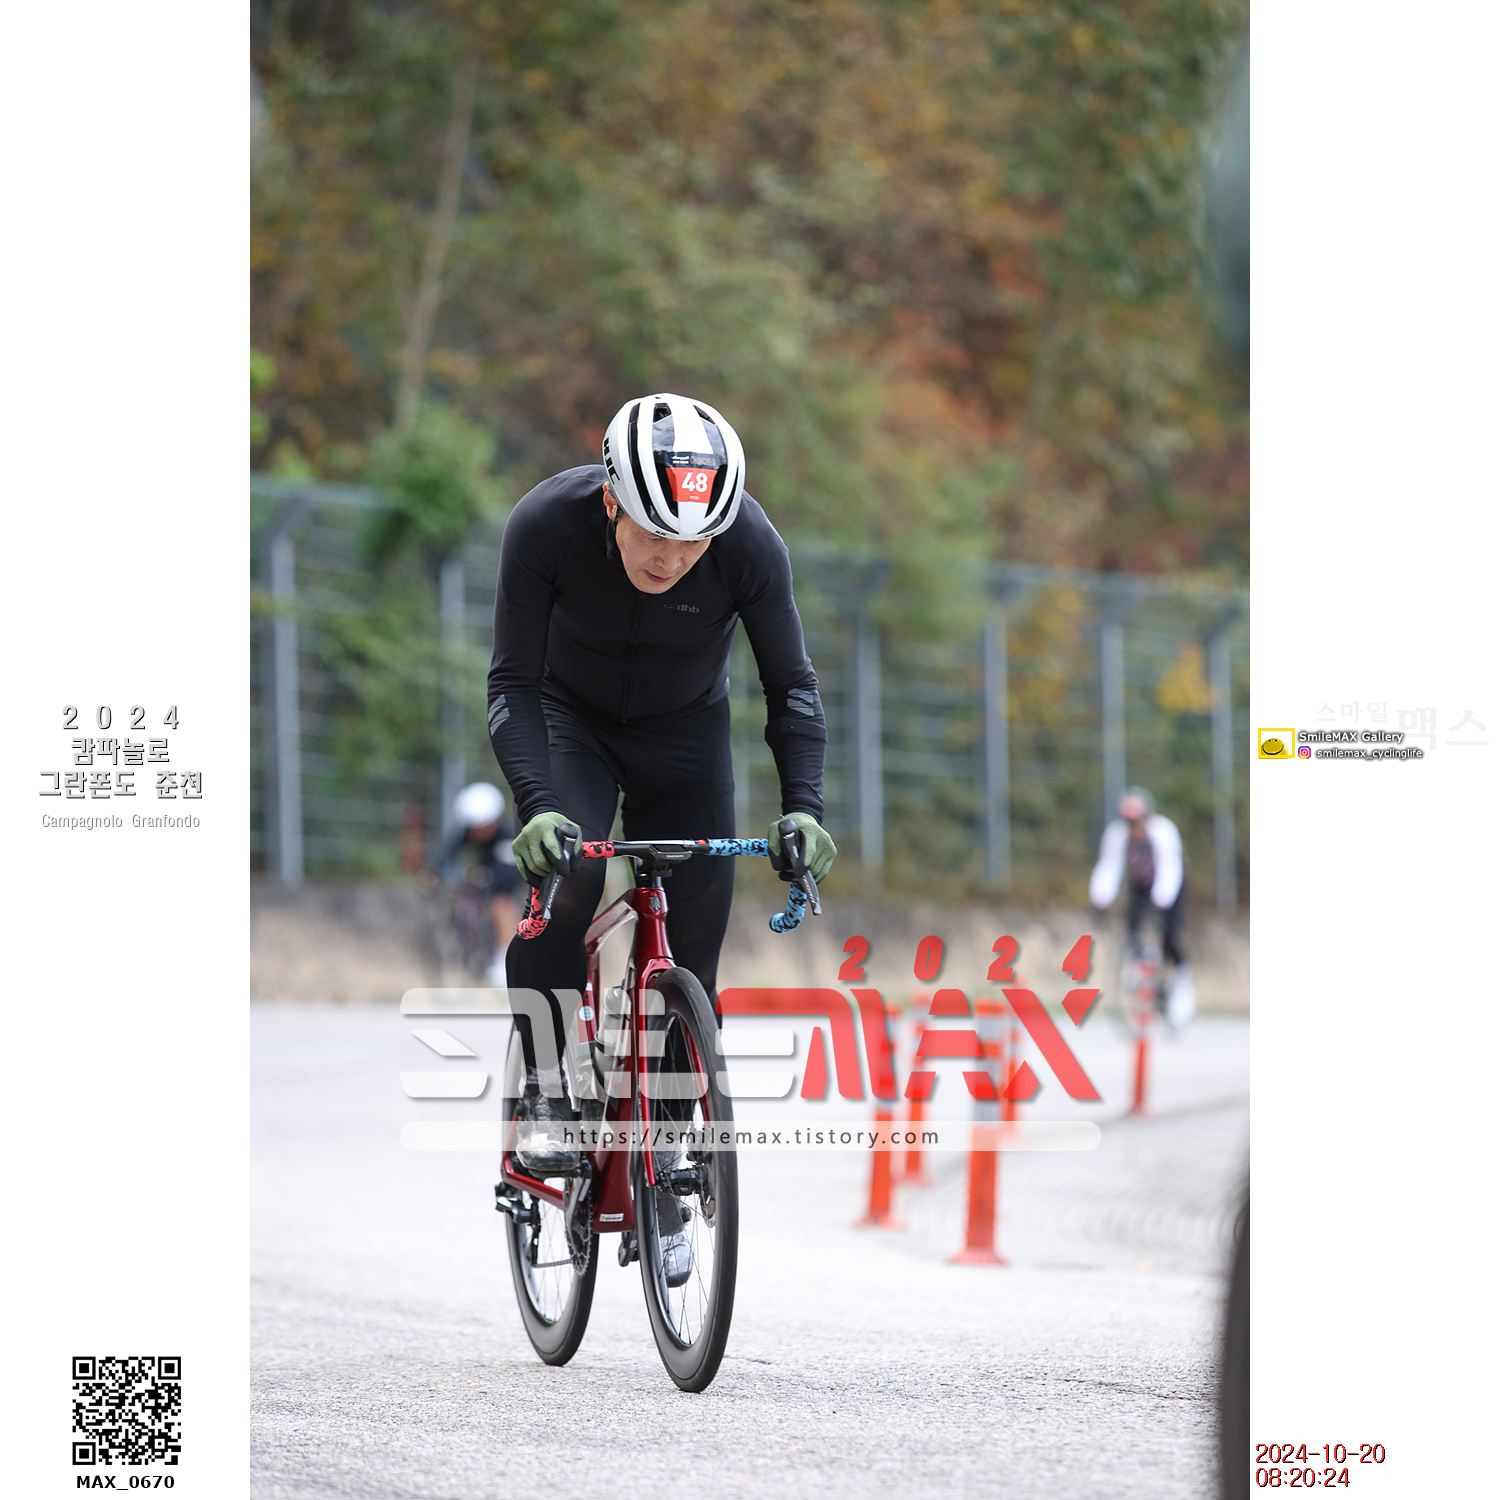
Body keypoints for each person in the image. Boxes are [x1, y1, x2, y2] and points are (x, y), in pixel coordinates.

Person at [487, 393, 837, 1254]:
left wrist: (804, 806)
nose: (672, 557)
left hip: (686, 735)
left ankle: (670, 1149)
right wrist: (537, 806)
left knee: (695, 950)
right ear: (611, 499)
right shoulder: (545, 525)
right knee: (569, 882)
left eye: (693, 542)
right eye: (654, 534)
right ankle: (545, 1084)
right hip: (570, 722)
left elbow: (791, 687)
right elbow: (511, 685)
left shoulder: (750, 545)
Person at [1088, 787, 1195, 1026]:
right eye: (1128, 821)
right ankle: (1137, 965)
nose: (1132, 826)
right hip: (1142, 885)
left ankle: (1181, 981)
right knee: (1132, 925)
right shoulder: (1117, 834)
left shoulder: (1163, 831)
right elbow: (1109, 866)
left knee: (1170, 936)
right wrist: (1100, 898)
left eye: (1136, 821)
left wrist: (1161, 899)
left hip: (1173, 886)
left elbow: (1170, 868)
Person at [437, 781, 522, 988]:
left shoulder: (506, 835)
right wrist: (434, 871)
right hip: (480, 875)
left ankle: (503, 959)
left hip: (504, 879)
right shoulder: (468, 832)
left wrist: (488, 876)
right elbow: (448, 853)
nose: (475, 831)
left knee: (502, 905)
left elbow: (513, 871)